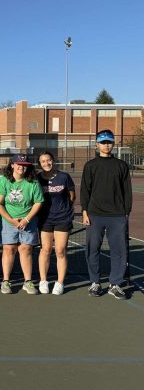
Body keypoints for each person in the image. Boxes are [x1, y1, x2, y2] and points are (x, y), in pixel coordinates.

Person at [82, 129, 132, 300]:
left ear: (113, 143)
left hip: (117, 216)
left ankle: (115, 284)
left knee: (118, 251)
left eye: (109, 142)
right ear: (97, 144)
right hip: (95, 214)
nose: (106, 145)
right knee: (92, 249)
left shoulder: (121, 165)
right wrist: (85, 211)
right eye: (103, 142)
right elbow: (85, 190)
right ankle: (95, 282)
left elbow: (127, 191)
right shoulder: (90, 165)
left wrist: (126, 213)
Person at [0, 154, 44, 295]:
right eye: (18, 164)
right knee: (9, 249)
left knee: (26, 250)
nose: (21, 167)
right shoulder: (4, 181)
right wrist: (11, 220)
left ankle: (27, 282)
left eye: (24, 165)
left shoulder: (33, 182)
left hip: (28, 221)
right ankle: (6, 281)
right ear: (12, 165)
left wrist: (26, 219)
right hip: (8, 221)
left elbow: (38, 202)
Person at [37, 151, 75, 296]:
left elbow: (72, 196)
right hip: (45, 219)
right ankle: (43, 281)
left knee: (60, 250)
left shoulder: (64, 177)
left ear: (53, 161)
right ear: (40, 163)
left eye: (48, 160)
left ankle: (60, 283)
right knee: (45, 250)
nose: (46, 163)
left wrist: (64, 209)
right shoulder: (37, 178)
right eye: (43, 161)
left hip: (62, 218)